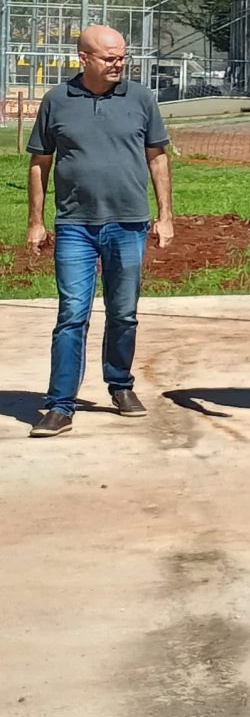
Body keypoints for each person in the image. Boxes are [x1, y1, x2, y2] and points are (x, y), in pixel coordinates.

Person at [24, 25, 176, 435]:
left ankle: (120, 384)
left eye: (122, 56)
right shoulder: (57, 101)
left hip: (128, 223)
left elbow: (158, 159)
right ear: (84, 59)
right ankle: (59, 405)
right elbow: (40, 164)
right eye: (109, 57)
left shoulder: (141, 99)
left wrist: (165, 215)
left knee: (123, 313)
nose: (118, 63)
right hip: (75, 225)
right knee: (72, 314)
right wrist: (36, 222)